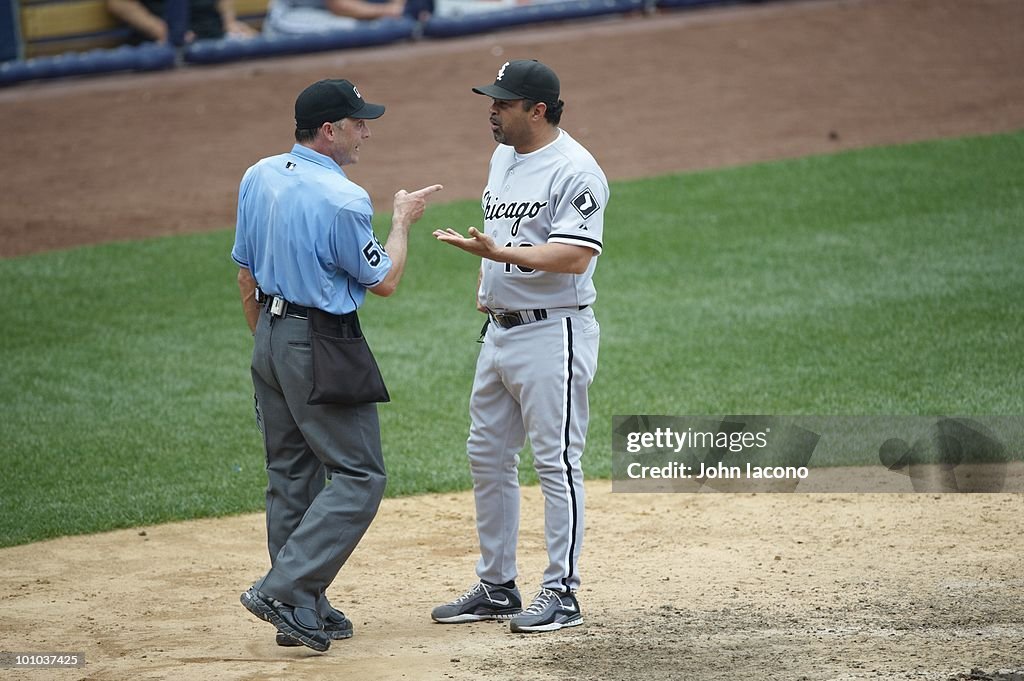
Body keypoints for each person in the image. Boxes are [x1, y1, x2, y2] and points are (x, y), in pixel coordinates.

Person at [232, 78, 442, 652]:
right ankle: (283, 589)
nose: (365, 132)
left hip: (269, 336)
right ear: (329, 130)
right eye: (358, 123)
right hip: (318, 344)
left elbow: (245, 272)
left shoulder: (261, 174)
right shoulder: (344, 199)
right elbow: (386, 281)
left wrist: (269, 347)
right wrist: (400, 222)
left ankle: (300, 605)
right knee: (359, 474)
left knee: (291, 473)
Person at [430, 59, 608, 634]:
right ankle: (498, 586)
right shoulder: (503, 156)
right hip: (501, 332)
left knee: (556, 461)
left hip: (553, 331)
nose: (492, 109)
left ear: (539, 110)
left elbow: (575, 255)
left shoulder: (577, 170)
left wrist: (497, 258)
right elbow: (502, 236)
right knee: (487, 455)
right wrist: (489, 282)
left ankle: (562, 593)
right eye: (492, 100)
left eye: (504, 102)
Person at [106, 0, 256, 43]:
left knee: (257, 45)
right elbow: (118, 3)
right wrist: (162, 31)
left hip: (216, 34)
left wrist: (229, 22)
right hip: (165, 43)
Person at [261, 0, 407, 38]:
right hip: (290, 16)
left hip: (327, 13)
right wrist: (388, 10)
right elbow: (339, 6)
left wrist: (397, 5)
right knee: (354, 28)